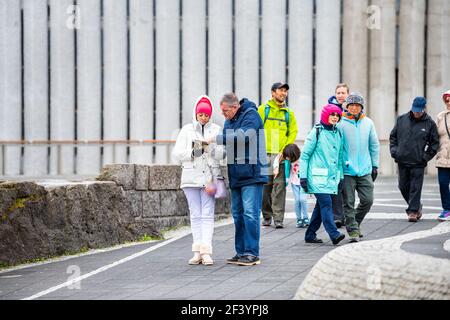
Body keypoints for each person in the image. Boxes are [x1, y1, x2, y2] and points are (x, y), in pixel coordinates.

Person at [213, 93, 268, 266]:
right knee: (237, 215)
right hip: (236, 172)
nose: (223, 115)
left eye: (225, 111)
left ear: (235, 107)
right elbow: (228, 144)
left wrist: (216, 139)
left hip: (253, 172)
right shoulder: (229, 121)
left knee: (250, 214)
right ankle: (241, 251)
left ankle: (252, 253)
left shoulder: (251, 114)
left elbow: (244, 137)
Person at [172, 95, 223, 266]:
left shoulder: (216, 129)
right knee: (195, 214)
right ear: (196, 113)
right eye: (201, 114)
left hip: (209, 177)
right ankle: (196, 251)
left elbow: (223, 154)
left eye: (206, 115)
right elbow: (178, 153)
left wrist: (212, 150)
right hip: (190, 176)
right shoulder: (186, 130)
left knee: (207, 214)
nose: (203, 117)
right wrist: (195, 151)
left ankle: (206, 250)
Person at [300, 104, 346, 245]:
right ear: (326, 115)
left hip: (331, 178)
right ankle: (334, 234)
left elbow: (339, 158)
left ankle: (310, 234)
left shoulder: (338, 133)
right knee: (326, 204)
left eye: (337, 115)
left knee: (320, 207)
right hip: (316, 177)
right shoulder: (317, 131)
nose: (335, 117)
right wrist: (303, 177)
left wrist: (341, 177)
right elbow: (305, 156)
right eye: (332, 114)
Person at [389, 97, 439, 222]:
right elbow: (393, 137)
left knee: (415, 188)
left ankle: (413, 211)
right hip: (402, 160)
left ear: (424, 109)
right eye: (415, 110)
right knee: (402, 186)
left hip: (418, 162)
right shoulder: (402, 119)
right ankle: (416, 206)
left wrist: (425, 157)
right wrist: (395, 152)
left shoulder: (430, 123)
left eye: (419, 111)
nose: (416, 113)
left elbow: (434, 144)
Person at [338, 93, 380, 242]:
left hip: (365, 169)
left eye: (357, 105)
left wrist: (375, 165)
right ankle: (353, 231)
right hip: (347, 170)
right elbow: (337, 147)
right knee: (348, 202)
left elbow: (374, 145)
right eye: (351, 105)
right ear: (347, 107)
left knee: (368, 200)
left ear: (361, 107)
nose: (354, 108)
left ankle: (354, 222)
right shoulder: (340, 123)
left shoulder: (368, 122)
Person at [258, 82, 298, 229]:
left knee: (280, 187)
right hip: (264, 155)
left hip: (280, 156)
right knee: (265, 187)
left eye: (285, 91)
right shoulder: (263, 110)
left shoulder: (289, 113)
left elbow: (293, 132)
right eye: (280, 90)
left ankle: (278, 218)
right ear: (273, 92)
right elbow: (256, 129)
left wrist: (285, 150)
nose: (283, 93)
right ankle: (267, 216)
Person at [328, 83, 350, 227]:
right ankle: (337, 216)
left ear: (348, 94)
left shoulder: (353, 109)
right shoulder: (330, 109)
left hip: (348, 153)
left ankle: (347, 214)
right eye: (338, 93)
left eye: (343, 93)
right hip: (334, 152)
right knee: (335, 186)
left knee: (347, 188)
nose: (341, 95)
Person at [273, 144, 310, 228]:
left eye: (288, 157)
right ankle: (299, 219)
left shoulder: (303, 157)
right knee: (297, 201)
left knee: (303, 200)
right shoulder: (287, 158)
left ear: (293, 155)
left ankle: (305, 217)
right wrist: (276, 168)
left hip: (303, 182)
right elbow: (277, 158)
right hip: (294, 183)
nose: (287, 159)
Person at [435, 90, 450, 221]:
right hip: (443, 157)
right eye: (446, 100)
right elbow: (435, 136)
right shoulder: (440, 116)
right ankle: (447, 209)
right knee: (443, 183)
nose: (449, 103)